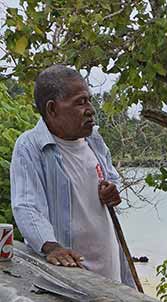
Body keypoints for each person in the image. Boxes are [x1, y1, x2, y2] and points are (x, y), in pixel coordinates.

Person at [9, 65, 134, 287]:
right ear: (52, 109)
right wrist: (51, 247)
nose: (90, 110)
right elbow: (27, 206)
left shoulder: (94, 140)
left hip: (111, 273)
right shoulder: (30, 147)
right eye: (80, 102)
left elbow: (111, 179)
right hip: (69, 277)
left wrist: (112, 190)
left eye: (89, 100)